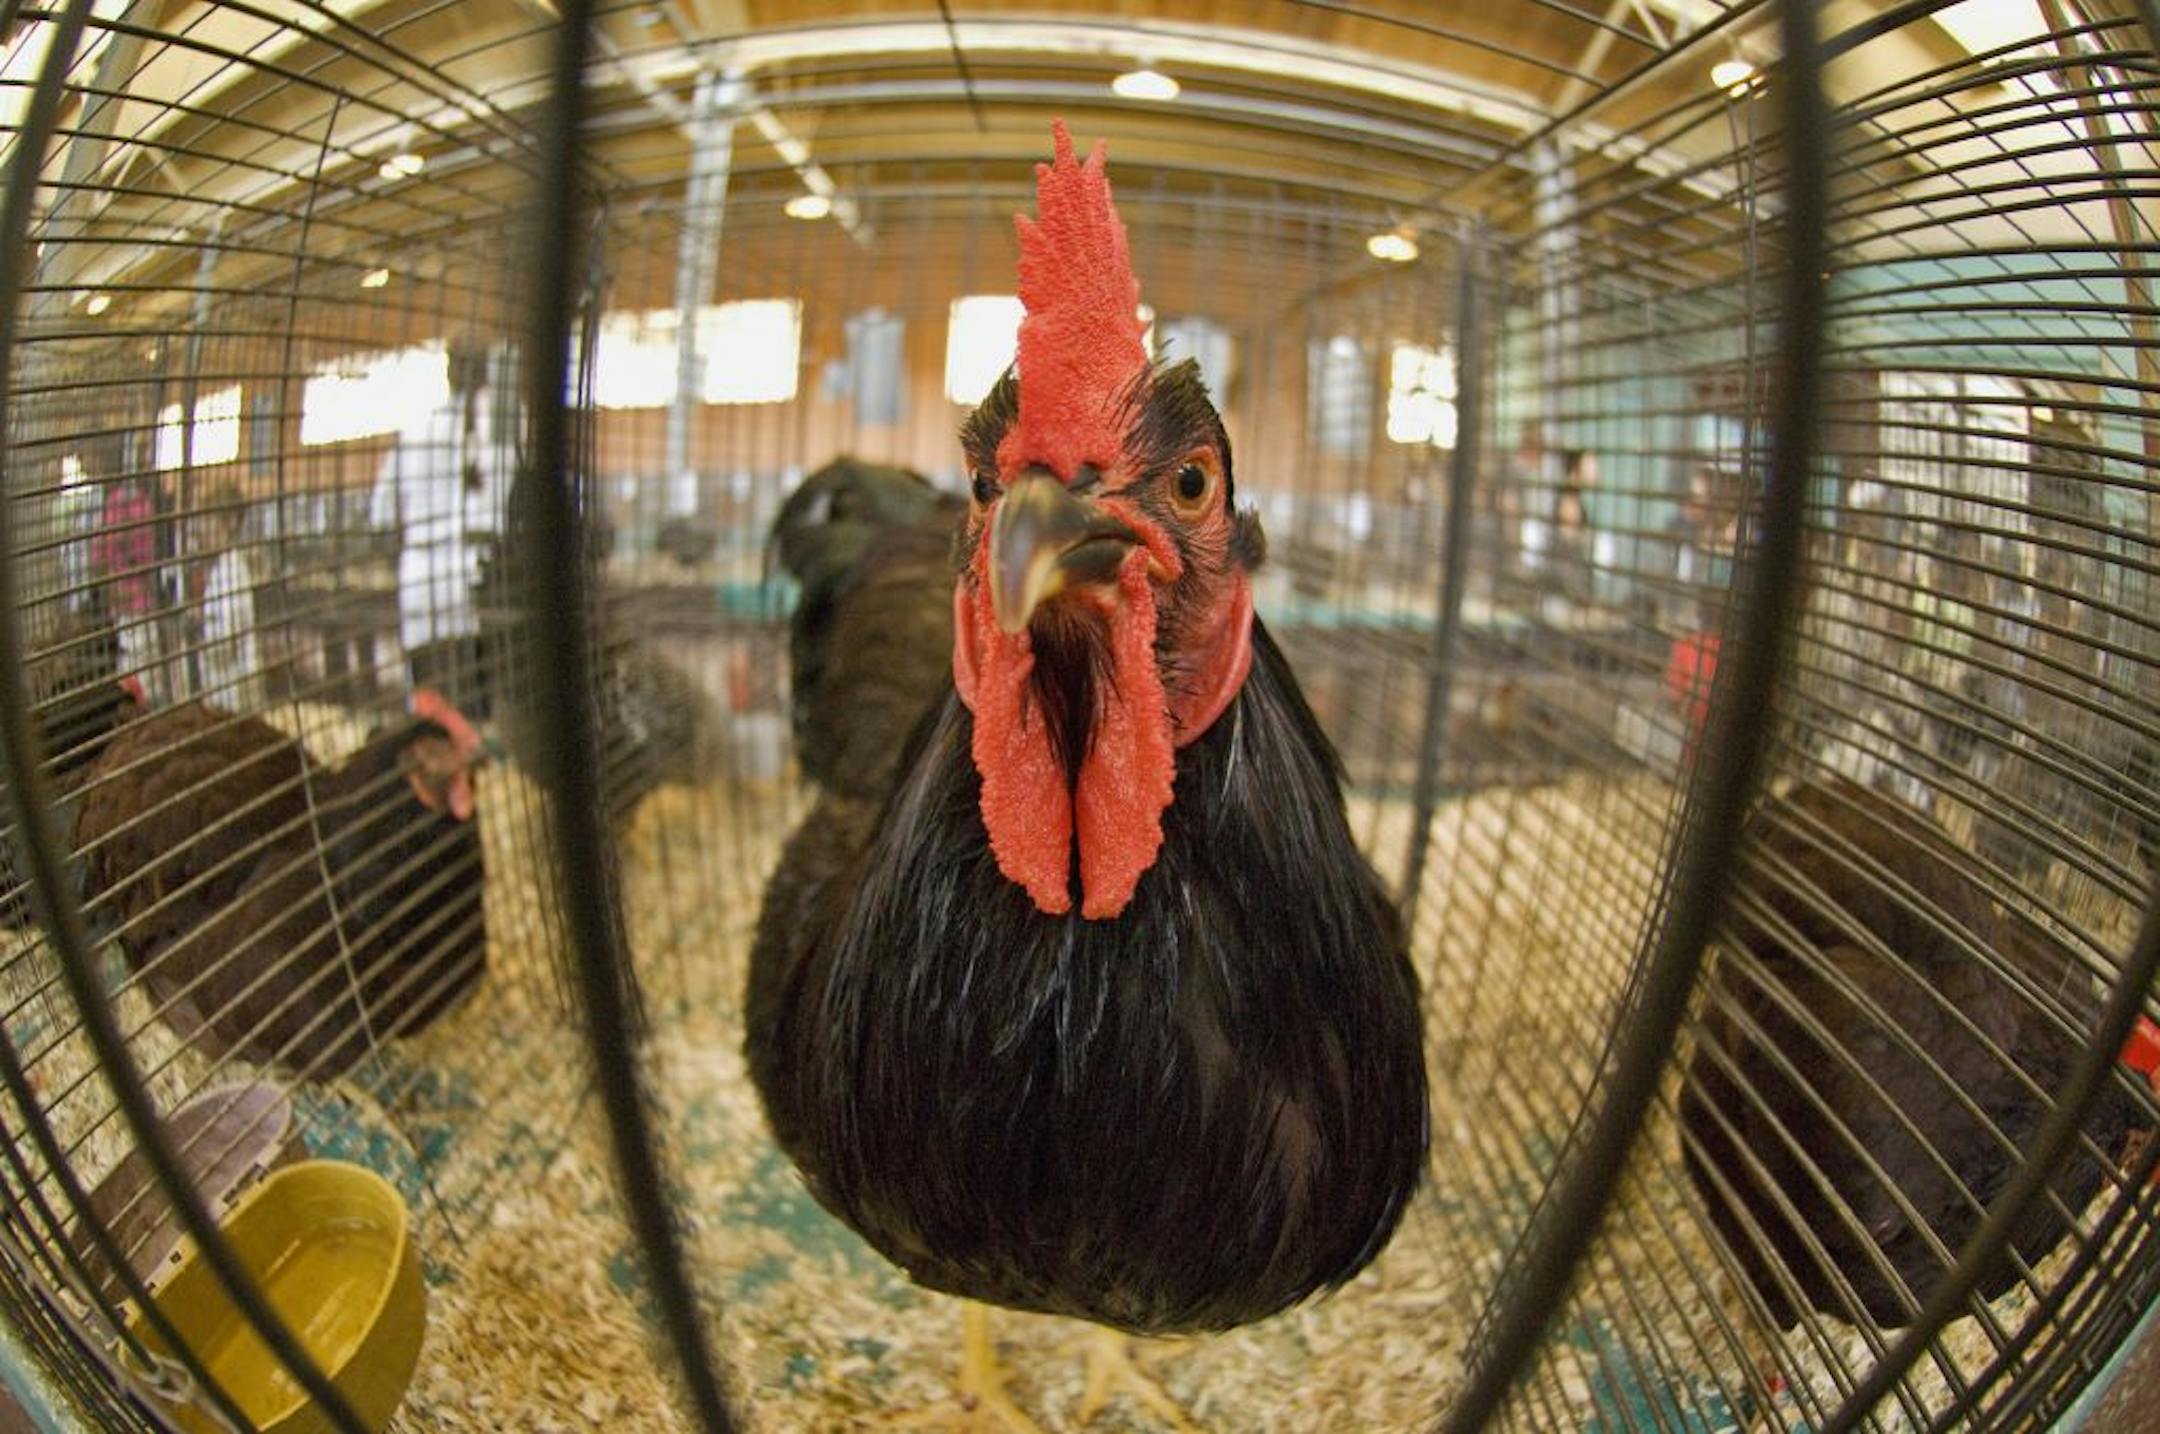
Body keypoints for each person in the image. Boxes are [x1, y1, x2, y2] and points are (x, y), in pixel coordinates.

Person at [370, 337, 513, 709]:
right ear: (487, 374)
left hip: (421, 582)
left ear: (448, 373)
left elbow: (381, 515)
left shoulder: (418, 430)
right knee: (478, 705)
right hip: (481, 581)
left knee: (431, 704)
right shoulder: (508, 427)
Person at [192, 483, 262, 709]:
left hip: (234, 690)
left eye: (208, 521)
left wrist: (197, 627)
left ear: (229, 522)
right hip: (222, 687)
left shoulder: (232, 571)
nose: (201, 531)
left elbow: (223, 643)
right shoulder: (218, 568)